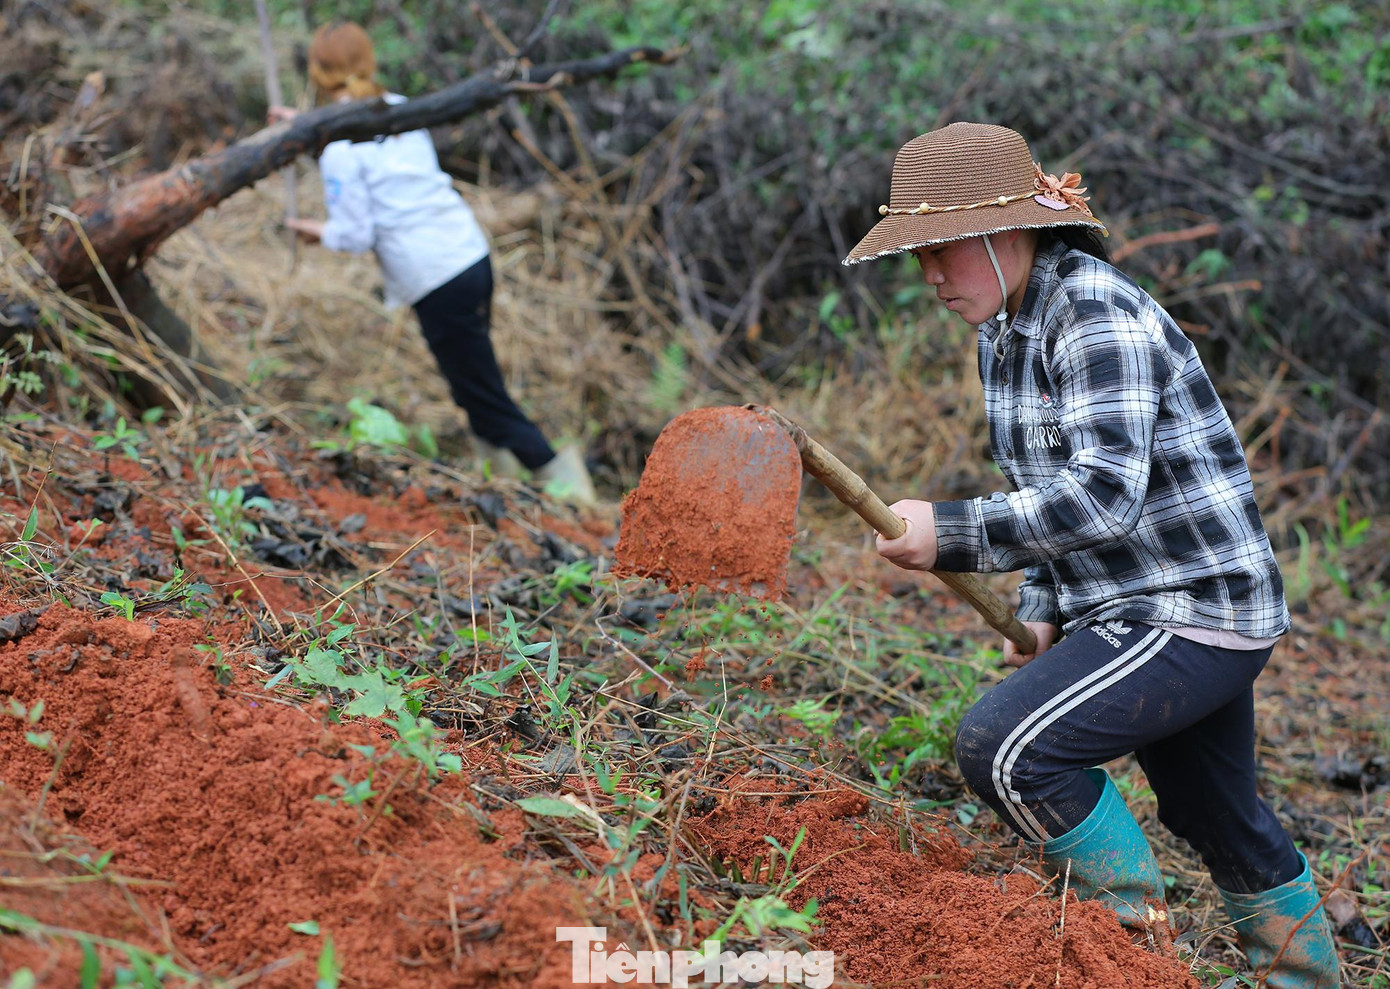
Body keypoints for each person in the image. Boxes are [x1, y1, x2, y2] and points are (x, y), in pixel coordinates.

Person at [848, 122, 1338, 988]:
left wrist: (951, 531)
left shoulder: (1093, 311)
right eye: (917, 255)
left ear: (1009, 235)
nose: (928, 276)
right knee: (1211, 808)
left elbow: (1101, 498)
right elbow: (1048, 482)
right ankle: (1311, 977)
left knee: (1004, 748)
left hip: (1193, 603)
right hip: (1130, 602)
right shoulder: (1003, 331)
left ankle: (1129, 958)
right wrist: (1040, 600)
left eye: (943, 251)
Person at [269, 21, 596, 506]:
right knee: (474, 383)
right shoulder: (401, 109)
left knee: (483, 392)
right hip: (469, 255)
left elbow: (356, 233)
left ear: (319, 72)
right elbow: (370, 151)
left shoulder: (339, 149)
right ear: (368, 61)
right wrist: (306, 127)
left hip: (434, 277)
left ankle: (568, 491)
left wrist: (319, 233)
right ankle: (505, 486)